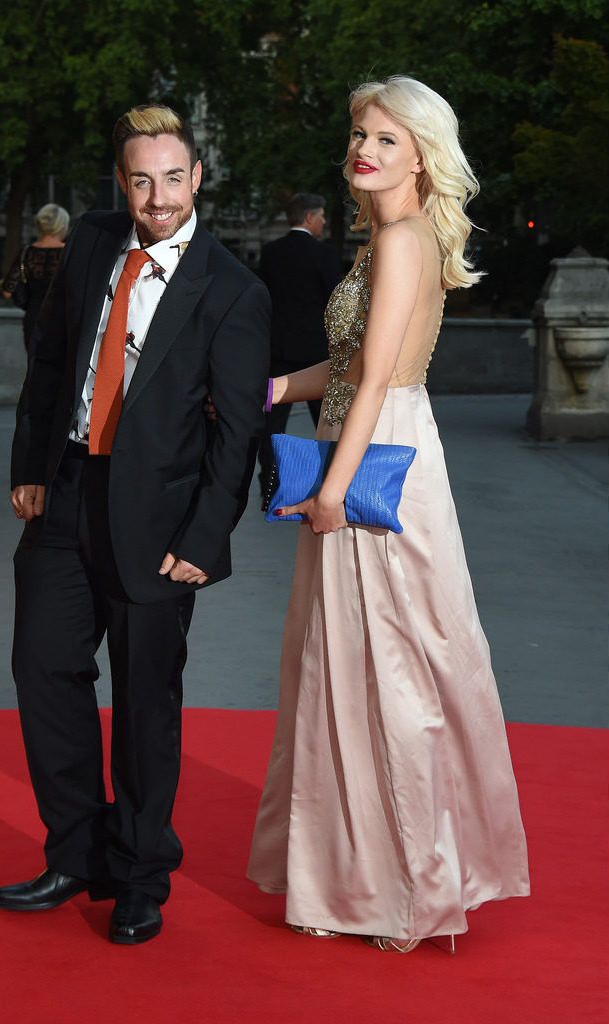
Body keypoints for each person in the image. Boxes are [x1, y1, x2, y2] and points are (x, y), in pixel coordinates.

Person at [247, 76, 529, 952]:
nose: (363, 147)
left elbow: (375, 379)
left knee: (391, 668)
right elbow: (341, 368)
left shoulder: (403, 242)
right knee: (347, 665)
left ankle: (406, 887)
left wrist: (333, 489)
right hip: (366, 438)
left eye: (386, 138)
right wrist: (262, 390)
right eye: (361, 133)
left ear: (423, 156)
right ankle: (358, 879)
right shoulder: (381, 247)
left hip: (377, 459)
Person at [0, 104, 270, 945]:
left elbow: (237, 433)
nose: (159, 197)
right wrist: (32, 466)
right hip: (70, 486)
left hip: (159, 519)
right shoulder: (89, 241)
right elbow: (50, 359)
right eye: (142, 179)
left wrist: (206, 536)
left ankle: (143, 873)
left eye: (174, 178)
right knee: (43, 670)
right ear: (123, 180)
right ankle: (80, 853)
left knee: (148, 699)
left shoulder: (233, 290)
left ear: (197, 178)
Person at [257, 193, 341, 495]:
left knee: (272, 426)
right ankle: (330, 486)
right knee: (326, 423)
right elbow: (336, 302)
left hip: (277, 351)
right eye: (321, 216)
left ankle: (270, 487)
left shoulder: (270, 252)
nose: (323, 222)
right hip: (317, 355)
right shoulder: (325, 255)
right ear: (309, 217)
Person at [2, 203, 70, 350]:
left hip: (34, 318)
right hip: (63, 320)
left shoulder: (26, 252)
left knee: (35, 368)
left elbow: (7, 291)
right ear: (62, 225)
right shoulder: (70, 253)